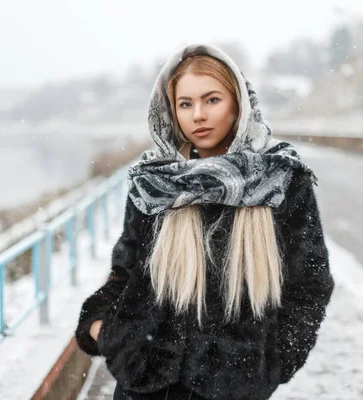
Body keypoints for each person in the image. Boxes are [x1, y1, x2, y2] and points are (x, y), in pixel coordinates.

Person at [75, 44, 335, 400]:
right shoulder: (152, 181)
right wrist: (101, 328)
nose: (198, 115)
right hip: (143, 382)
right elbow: (126, 272)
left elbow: (310, 284)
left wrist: (276, 361)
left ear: (238, 104)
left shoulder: (280, 180)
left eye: (212, 100)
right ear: (171, 110)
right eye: (185, 104)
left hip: (232, 389)